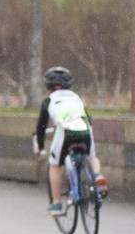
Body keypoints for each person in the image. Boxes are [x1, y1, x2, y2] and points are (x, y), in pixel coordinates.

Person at [33, 66, 108, 217]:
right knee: (92, 157)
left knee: (55, 166)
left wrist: (40, 147)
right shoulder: (76, 98)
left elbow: (41, 127)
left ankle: (56, 204)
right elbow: (88, 117)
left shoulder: (49, 100)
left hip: (65, 133)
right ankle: (98, 176)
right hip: (85, 130)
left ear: (47, 85)